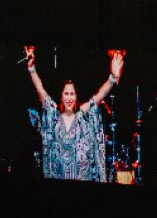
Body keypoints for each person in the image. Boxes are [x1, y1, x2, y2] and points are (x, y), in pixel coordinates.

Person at [25, 45, 123, 182]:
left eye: (72, 94)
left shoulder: (82, 115)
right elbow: (40, 90)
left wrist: (112, 78)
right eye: (66, 93)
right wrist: (31, 68)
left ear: (76, 96)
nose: (69, 97)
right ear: (61, 96)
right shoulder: (54, 117)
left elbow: (99, 96)